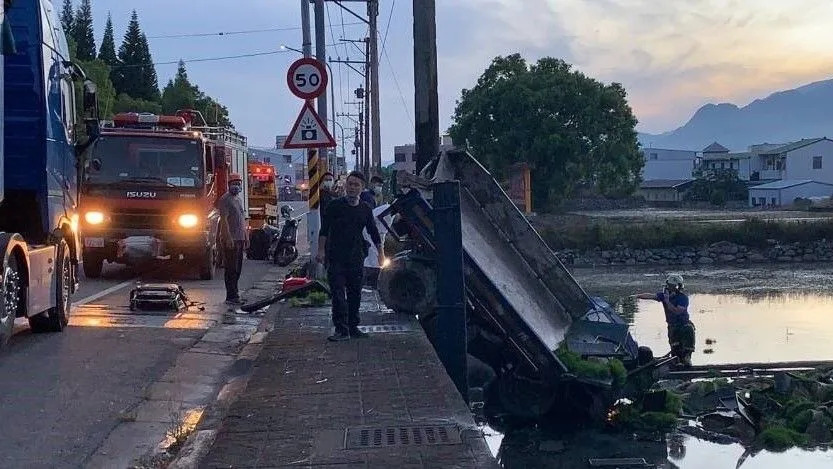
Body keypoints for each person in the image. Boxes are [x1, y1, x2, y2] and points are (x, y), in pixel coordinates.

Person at [317, 171, 383, 342]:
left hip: (356, 257)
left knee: (355, 294)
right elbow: (324, 230)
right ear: (346, 186)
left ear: (362, 188)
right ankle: (341, 329)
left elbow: (373, 233)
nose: (353, 188)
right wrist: (321, 251)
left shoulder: (365, 209)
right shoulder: (335, 206)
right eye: (350, 184)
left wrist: (381, 254)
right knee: (338, 293)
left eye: (356, 185)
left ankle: (353, 327)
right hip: (336, 256)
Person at [633, 274, 695, 367]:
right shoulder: (664, 296)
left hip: (684, 324)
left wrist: (667, 301)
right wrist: (637, 296)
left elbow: (677, 311)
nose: (670, 288)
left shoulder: (683, 298)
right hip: (672, 325)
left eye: (672, 286)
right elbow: (651, 296)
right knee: (675, 347)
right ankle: (677, 362)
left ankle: (687, 359)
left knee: (688, 336)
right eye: (669, 286)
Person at [217, 173, 248, 305]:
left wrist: (246, 236)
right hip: (231, 240)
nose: (236, 186)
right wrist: (227, 237)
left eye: (238, 183)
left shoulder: (238, 200)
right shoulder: (225, 200)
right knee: (231, 268)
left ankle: (235, 294)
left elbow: (242, 219)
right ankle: (231, 296)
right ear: (229, 185)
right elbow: (223, 221)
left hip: (240, 238)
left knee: (238, 268)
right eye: (233, 183)